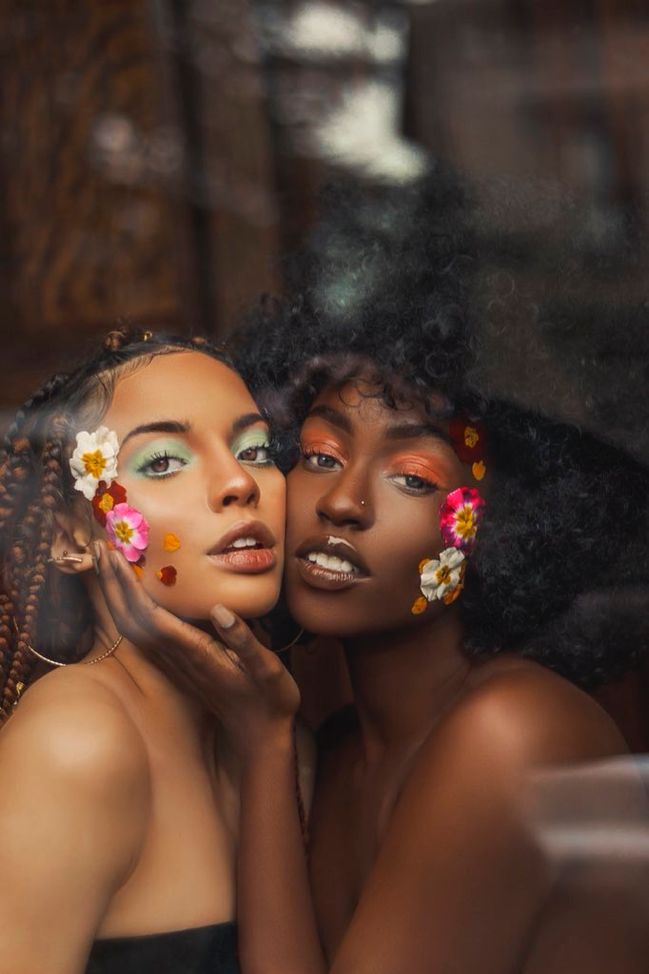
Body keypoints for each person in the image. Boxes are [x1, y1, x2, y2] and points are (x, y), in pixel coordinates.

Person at [101, 176, 649, 972]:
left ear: (497, 530)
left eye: (415, 478)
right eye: (318, 457)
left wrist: (260, 745)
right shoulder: (345, 752)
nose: (344, 503)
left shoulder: (514, 732)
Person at [0, 329, 300, 974]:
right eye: (163, 460)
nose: (237, 483)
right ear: (71, 535)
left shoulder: (269, 727)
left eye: (256, 449)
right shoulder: (74, 744)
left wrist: (270, 740)